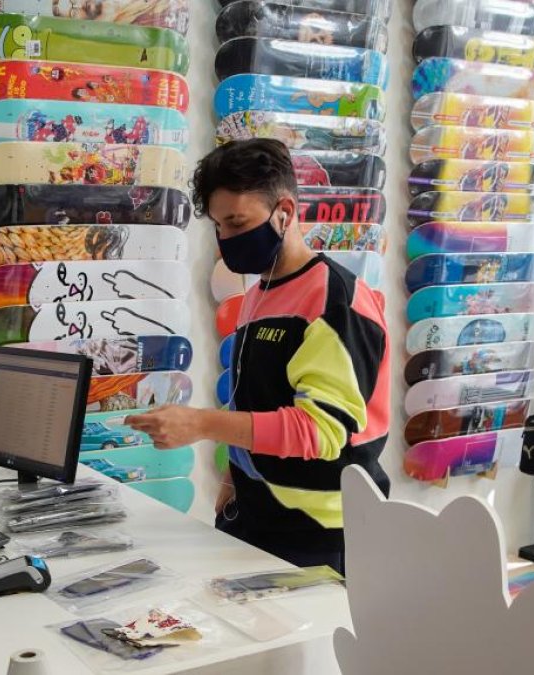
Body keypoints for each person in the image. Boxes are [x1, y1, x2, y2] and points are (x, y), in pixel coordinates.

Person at [127, 139, 390, 573]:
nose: (226, 240)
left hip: (321, 536)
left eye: (236, 222)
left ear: (284, 213)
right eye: (218, 227)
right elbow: (257, 399)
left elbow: (322, 432)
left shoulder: (334, 301)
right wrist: (235, 475)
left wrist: (200, 423)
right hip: (255, 515)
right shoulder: (259, 292)